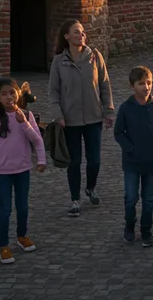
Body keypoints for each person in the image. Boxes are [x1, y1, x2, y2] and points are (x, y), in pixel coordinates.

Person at [49, 19, 115, 218]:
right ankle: (75, 199)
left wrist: (109, 111)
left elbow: (105, 85)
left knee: (94, 160)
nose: (81, 35)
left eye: (83, 32)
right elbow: (53, 92)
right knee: (74, 161)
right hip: (70, 120)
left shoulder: (95, 56)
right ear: (67, 37)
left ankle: (91, 187)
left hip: (94, 117)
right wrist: (58, 115)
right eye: (76, 32)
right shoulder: (58, 61)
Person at [0, 79, 47, 264]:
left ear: (18, 94)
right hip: (3, 172)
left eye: (12, 92)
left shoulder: (26, 115)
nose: (9, 97)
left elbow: (37, 140)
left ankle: (22, 236)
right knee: (5, 208)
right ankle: (3, 245)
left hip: (22, 169)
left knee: (22, 206)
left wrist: (41, 160)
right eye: (4, 94)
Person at [114, 66, 153, 247]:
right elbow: (119, 132)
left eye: (149, 83)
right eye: (141, 83)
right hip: (131, 163)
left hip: (151, 162)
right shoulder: (126, 108)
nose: (146, 87)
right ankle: (129, 226)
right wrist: (130, 148)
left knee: (148, 199)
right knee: (131, 198)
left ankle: (146, 231)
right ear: (132, 86)